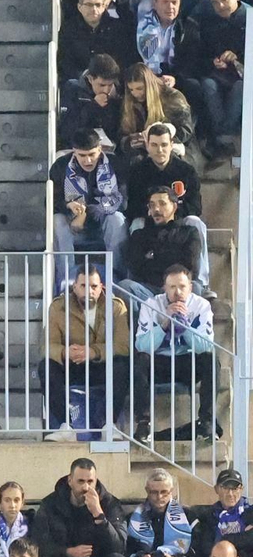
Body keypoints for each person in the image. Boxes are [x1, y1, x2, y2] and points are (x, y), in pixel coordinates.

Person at [132, 265, 219, 443]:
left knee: (211, 359)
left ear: (191, 288)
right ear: (164, 288)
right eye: (172, 287)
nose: (177, 292)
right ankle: (143, 423)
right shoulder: (151, 305)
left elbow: (205, 346)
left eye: (182, 287)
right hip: (160, 362)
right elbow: (142, 345)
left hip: (187, 362)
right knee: (139, 360)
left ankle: (207, 420)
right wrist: (165, 323)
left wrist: (184, 326)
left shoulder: (202, 306)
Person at [45, 265, 132, 441]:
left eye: (94, 286)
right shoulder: (58, 307)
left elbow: (123, 346)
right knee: (46, 367)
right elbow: (47, 346)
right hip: (73, 364)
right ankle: (65, 426)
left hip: (101, 365)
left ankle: (110, 424)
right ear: (74, 287)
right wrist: (65, 352)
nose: (89, 291)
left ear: (102, 287)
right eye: (84, 286)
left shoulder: (116, 307)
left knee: (122, 365)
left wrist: (94, 352)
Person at [50, 132, 128, 289]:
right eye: (82, 155)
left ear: (100, 149)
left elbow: (122, 200)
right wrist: (68, 205)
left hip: (103, 223)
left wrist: (90, 212)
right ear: (74, 151)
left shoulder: (115, 164)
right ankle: (66, 278)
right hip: (74, 225)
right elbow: (50, 201)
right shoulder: (61, 166)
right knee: (57, 221)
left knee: (117, 219)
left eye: (92, 154)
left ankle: (115, 276)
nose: (88, 160)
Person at [29, 458, 127, 557]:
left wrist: (99, 514)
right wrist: (68, 552)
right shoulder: (51, 504)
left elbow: (119, 546)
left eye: (90, 481)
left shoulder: (109, 503)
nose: (86, 487)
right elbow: (39, 542)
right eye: (80, 481)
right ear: (70, 481)